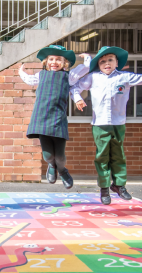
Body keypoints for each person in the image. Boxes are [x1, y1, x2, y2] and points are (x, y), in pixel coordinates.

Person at [70, 46, 142, 204]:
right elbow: (75, 88)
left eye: (110, 60)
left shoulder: (124, 77)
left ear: (116, 62)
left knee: (118, 155)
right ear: (98, 65)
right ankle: (104, 188)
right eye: (102, 61)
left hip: (118, 122)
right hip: (100, 124)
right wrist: (78, 99)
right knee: (102, 156)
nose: (106, 64)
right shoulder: (93, 77)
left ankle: (119, 185)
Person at [19, 45, 90, 189]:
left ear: (64, 63)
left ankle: (62, 171)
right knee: (48, 156)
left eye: (58, 59)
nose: (54, 62)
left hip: (58, 119)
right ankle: (51, 166)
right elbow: (30, 80)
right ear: (46, 62)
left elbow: (83, 69)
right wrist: (21, 71)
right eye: (51, 59)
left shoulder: (68, 76)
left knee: (60, 157)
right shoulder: (41, 75)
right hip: (42, 119)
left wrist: (87, 59)